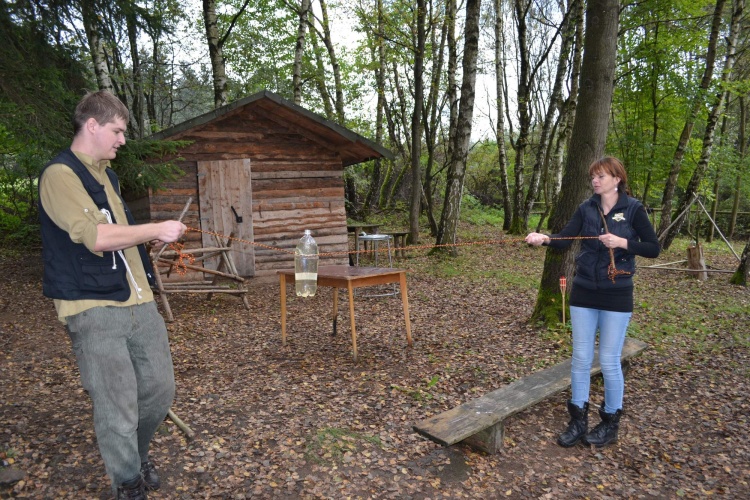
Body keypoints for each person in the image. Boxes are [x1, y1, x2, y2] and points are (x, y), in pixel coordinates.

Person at [38, 90, 186, 499]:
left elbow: (121, 237)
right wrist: (155, 228)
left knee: (159, 391)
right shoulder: (60, 175)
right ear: (92, 125)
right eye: (117, 131)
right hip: (93, 307)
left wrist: (146, 240)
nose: (122, 139)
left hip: (140, 301)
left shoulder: (108, 175)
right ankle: (126, 481)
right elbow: (97, 238)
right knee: (117, 403)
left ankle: (136, 457)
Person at [525, 156, 660, 448]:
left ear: (617, 179)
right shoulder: (586, 208)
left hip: (617, 293)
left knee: (609, 360)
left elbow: (653, 248)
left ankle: (610, 423)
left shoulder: (633, 209)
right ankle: (578, 420)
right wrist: (544, 238)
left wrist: (622, 243)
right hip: (584, 291)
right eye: (593, 177)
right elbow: (565, 239)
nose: (595, 181)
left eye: (601, 176)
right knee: (581, 358)